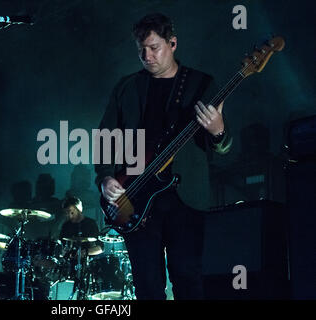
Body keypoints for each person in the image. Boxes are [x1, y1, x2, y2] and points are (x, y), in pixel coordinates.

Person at [94, 13, 232, 300]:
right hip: (136, 197)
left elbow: (221, 145)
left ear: (173, 43)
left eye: (154, 47)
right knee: (146, 285)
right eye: (141, 49)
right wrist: (106, 176)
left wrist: (219, 131)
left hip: (186, 197)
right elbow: (106, 135)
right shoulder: (126, 87)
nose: (147, 56)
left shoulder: (201, 84)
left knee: (187, 278)